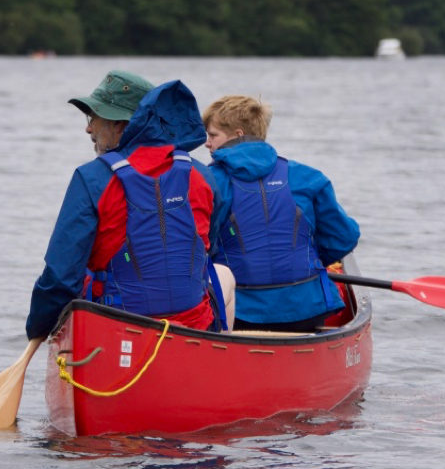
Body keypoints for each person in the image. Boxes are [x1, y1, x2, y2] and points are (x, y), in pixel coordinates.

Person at [25, 70, 234, 341]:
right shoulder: (202, 175)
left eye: (95, 118)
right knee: (219, 273)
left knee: (85, 275)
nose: (88, 128)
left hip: (116, 332)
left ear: (122, 126)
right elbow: (209, 248)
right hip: (195, 328)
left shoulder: (92, 178)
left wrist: (39, 330)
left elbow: (60, 277)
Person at [203, 94, 360, 333]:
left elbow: (198, 247)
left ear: (237, 134)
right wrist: (310, 261)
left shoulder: (206, 182)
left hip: (240, 313)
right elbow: (343, 239)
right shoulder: (308, 177)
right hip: (306, 310)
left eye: (212, 135)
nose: (206, 143)